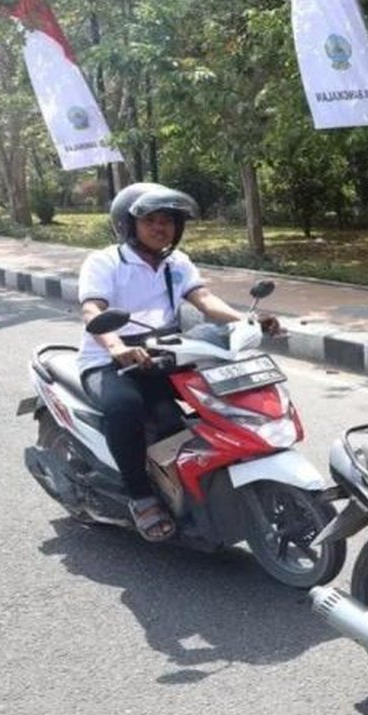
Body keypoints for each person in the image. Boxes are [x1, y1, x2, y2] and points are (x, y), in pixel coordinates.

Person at [77, 182, 280, 542]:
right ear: (129, 224)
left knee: (208, 398)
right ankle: (140, 496)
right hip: (110, 358)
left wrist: (244, 321)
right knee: (126, 408)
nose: (161, 228)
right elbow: (94, 309)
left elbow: (204, 300)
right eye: (151, 220)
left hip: (162, 351)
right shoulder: (105, 261)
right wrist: (115, 346)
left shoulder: (177, 262)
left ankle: (199, 481)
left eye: (168, 221)